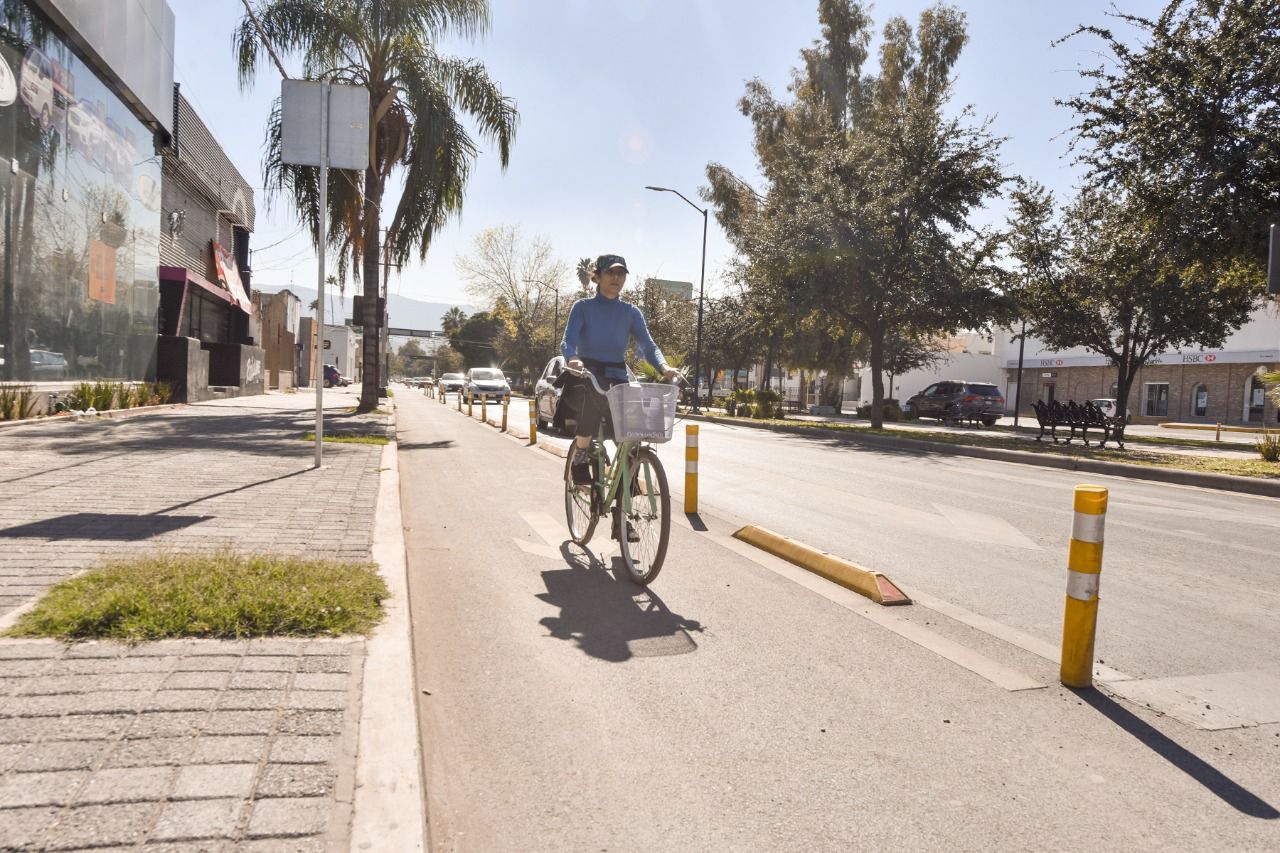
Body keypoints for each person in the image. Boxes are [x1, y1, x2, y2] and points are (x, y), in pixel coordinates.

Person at [560, 254, 679, 485]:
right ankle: (581, 457)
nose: (616, 277)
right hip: (588, 373)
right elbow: (568, 340)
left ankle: (627, 478)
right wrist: (572, 358)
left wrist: (665, 367)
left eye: (621, 273)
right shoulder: (583, 307)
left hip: (617, 375)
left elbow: (648, 344)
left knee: (630, 428)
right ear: (597, 276)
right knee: (591, 405)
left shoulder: (630, 312)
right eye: (610, 272)